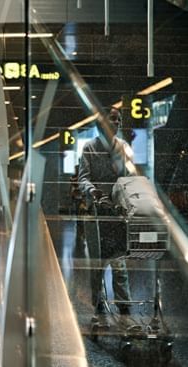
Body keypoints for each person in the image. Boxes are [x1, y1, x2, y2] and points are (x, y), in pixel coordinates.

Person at [78, 107, 138, 331]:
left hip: (117, 213)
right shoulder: (90, 148)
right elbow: (83, 178)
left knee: (119, 265)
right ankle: (98, 308)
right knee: (97, 265)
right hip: (96, 214)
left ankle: (124, 310)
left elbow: (131, 177)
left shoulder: (123, 148)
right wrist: (92, 191)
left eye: (119, 119)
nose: (117, 122)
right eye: (113, 119)